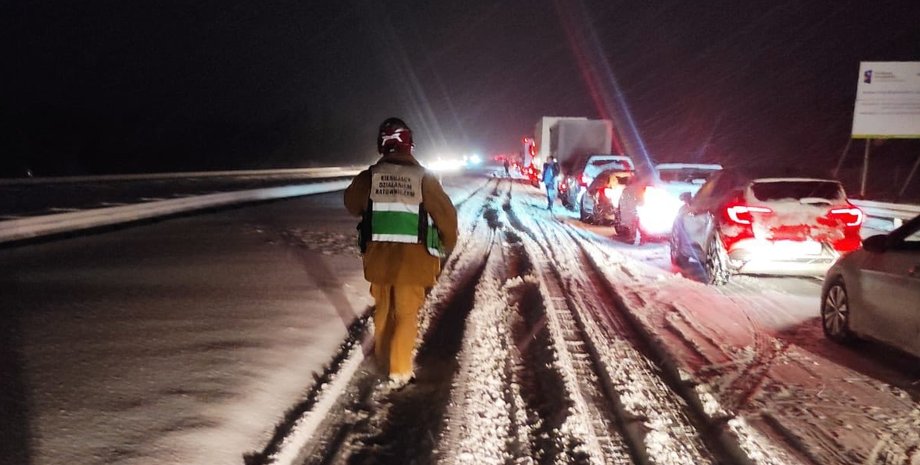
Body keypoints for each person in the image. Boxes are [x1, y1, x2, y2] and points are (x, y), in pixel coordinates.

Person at [344, 117, 458, 389]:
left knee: (383, 310)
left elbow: (351, 203)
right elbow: (447, 217)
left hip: (379, 258)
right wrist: (447, 243)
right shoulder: (423, 179)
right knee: (407, 313)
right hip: (415, 261)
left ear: (383, 144)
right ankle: (400, 369)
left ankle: (384, 360)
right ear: (408, 144)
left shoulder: (370, 176)